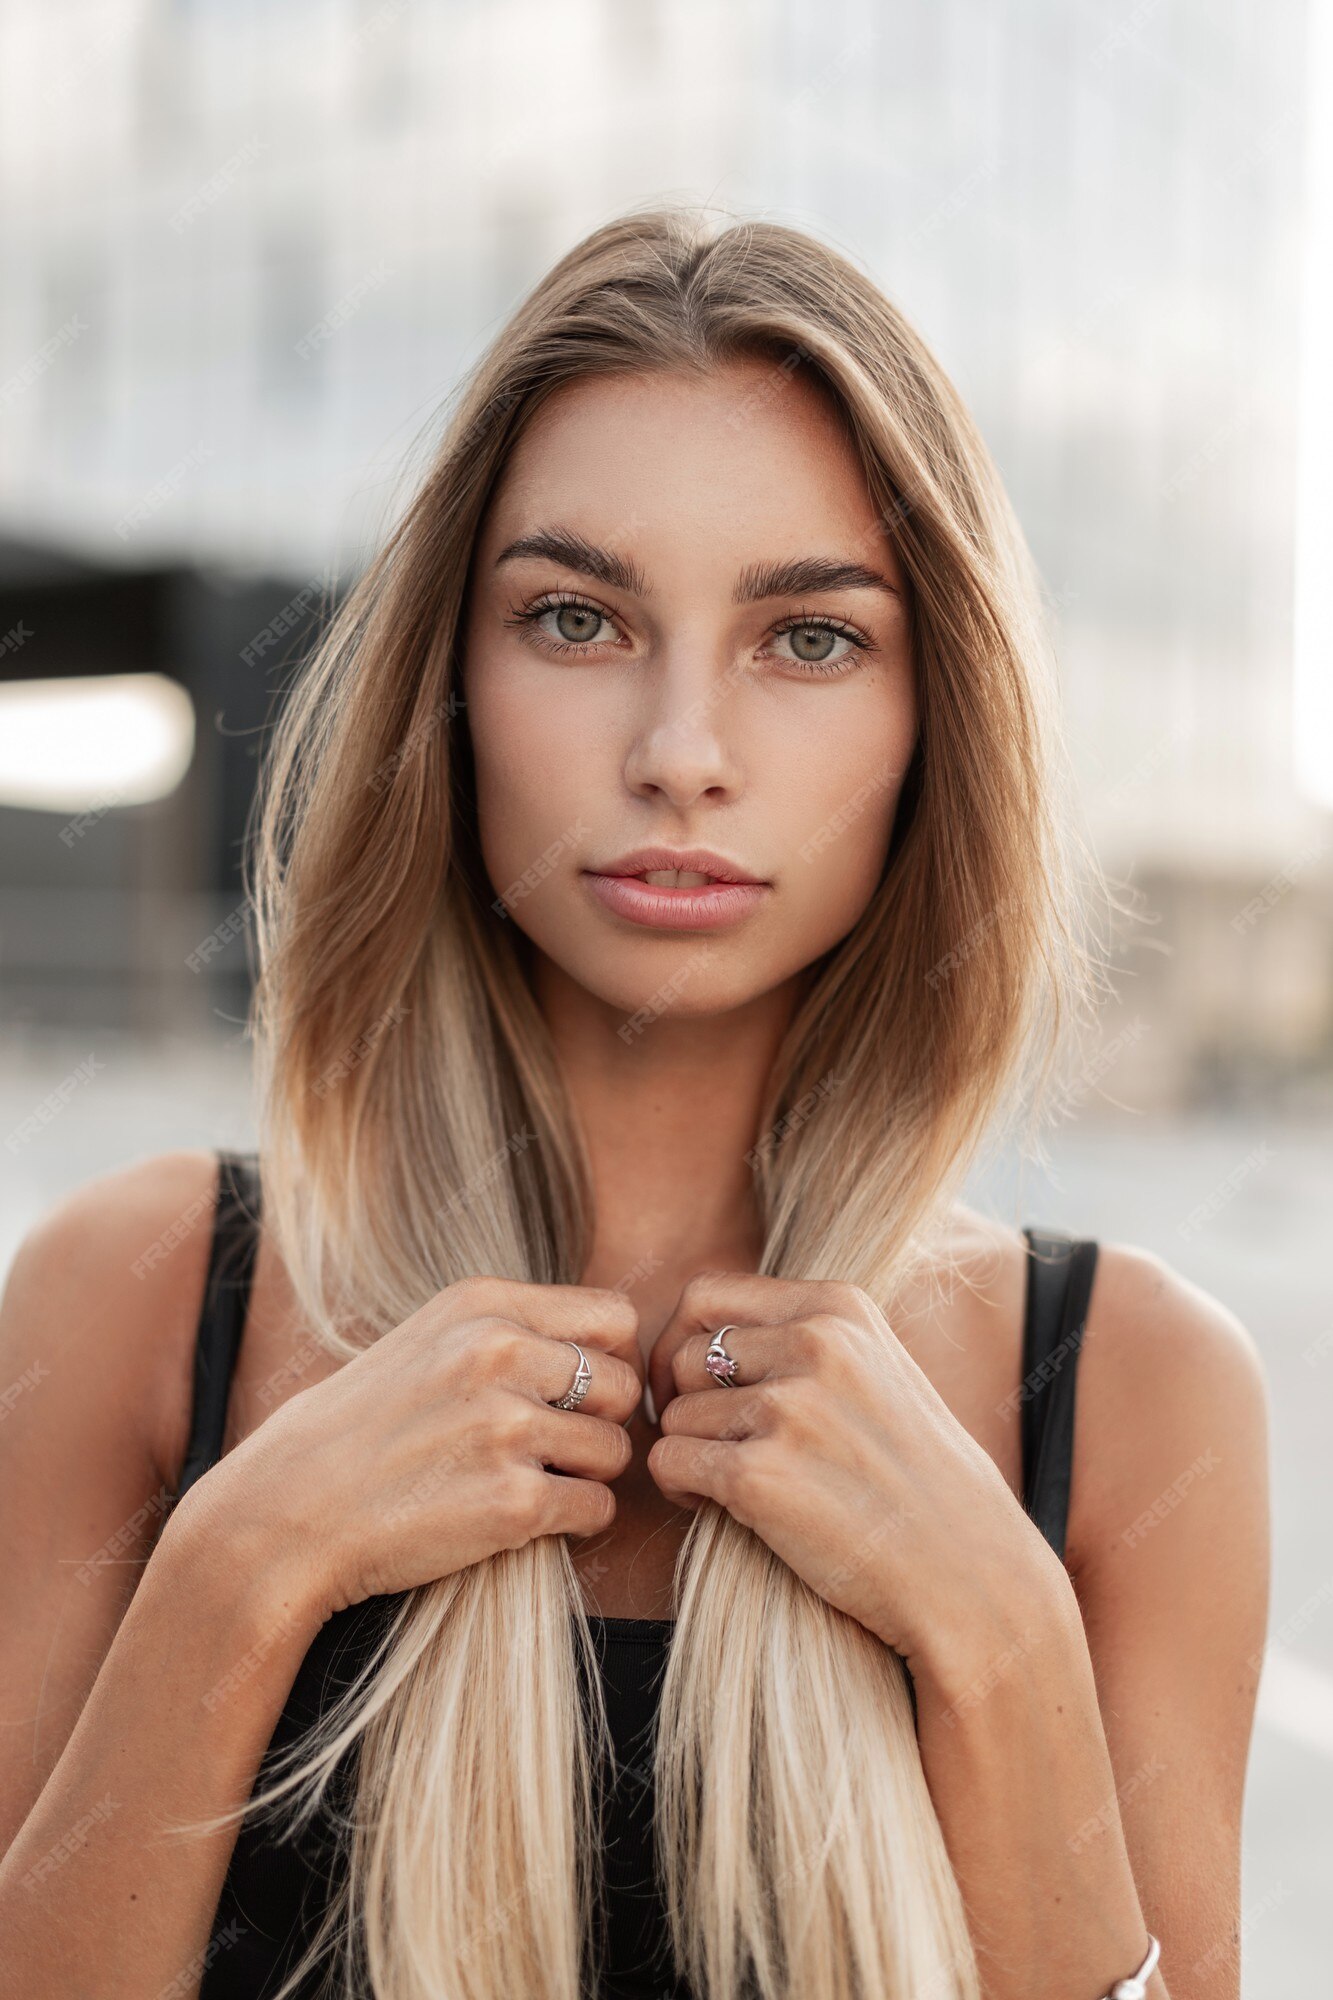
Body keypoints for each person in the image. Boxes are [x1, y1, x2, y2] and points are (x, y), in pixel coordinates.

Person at [0, 205, 1269, 2000]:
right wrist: (244, 1565)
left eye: (808, 638)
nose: (682, 747)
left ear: (935, 717)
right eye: (577, 618)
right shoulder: (139, 1300)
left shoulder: (1126, 1385)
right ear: (448, 680)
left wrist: (993, 1642)